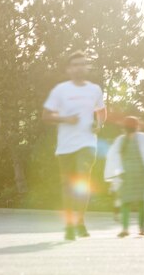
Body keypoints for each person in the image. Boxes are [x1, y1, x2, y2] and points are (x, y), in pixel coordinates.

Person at [43, 51, 107, 241]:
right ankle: (71, 224)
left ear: (86, 67)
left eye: (83, 64)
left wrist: (99, 124)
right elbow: (46, 116)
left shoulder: (94, 89)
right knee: (68, 187)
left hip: (87, 144)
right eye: (76, 64)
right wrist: (65, 119)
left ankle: (80, 221)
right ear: (69, 69)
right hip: (65, 147)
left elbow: (102, 111)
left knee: (82, 179)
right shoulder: (60, 90)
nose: (80, 67)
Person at [104, 117, 144, 238]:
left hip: (126, 174)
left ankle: (125, 228)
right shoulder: (143, 138)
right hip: (140, 174)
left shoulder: (121, 140)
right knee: (142, 202)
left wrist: (116, 173)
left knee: (125, 202)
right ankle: (142, 228)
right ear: (137, 126)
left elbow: (113, 157)